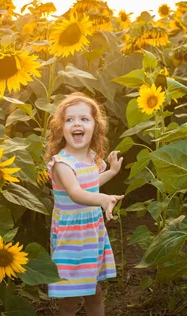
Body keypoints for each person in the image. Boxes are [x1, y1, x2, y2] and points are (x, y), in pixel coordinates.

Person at [44, 92, 124, 316]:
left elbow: (90, 183)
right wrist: (103, 199)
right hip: (71, 236)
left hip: (90, 233)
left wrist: (112, 172)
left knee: (94, 291)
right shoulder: (62, 164)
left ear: (95, 127)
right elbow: (76, 193)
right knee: (70, 298)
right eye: (69, 119)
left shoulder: (91, 157)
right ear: (61, 128)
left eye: (84, 119)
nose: (76, 123)